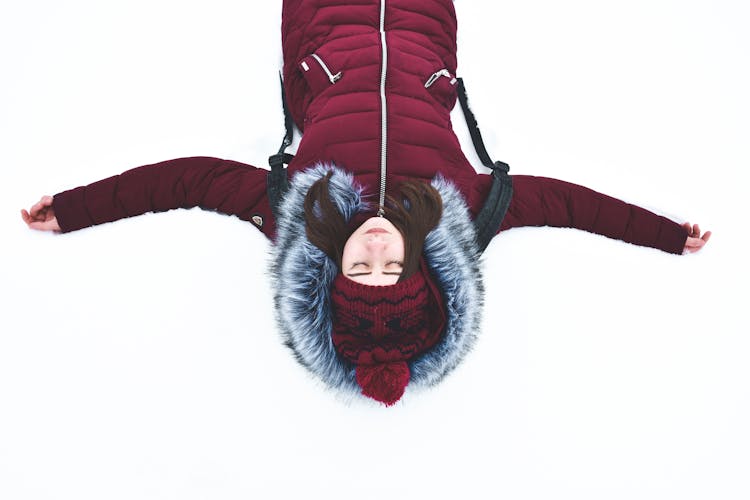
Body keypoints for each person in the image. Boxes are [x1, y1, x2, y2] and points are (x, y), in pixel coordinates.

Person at [20, 0, 710, 406]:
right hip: (421, 27)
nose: (377, 250)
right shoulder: (464, 212)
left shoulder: (291, 207)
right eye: (394, 269)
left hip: (323, 27)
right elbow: (569, 204)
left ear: (330, 274)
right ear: (424, 269)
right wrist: (665, 236)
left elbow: (188, 181)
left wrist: (77, 208)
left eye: (362, 271)